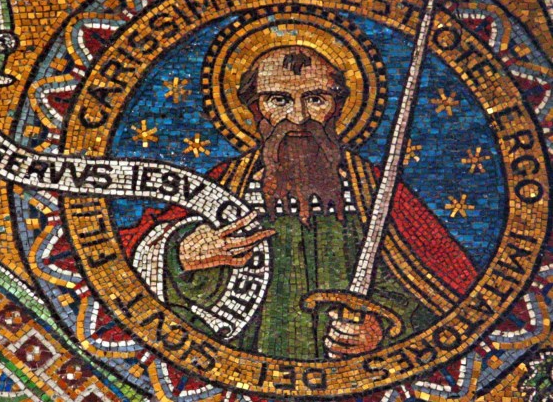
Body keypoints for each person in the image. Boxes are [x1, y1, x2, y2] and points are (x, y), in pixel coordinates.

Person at [120, 46, 477, 360]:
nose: (298, 116)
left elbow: (443, 290)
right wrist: (180, 254)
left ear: (337, 107)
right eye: (279, 100)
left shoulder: (374, 191)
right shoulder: (226, 185)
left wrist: (383, 329)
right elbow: (125, 262)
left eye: (316, 98)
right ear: (256, 109)